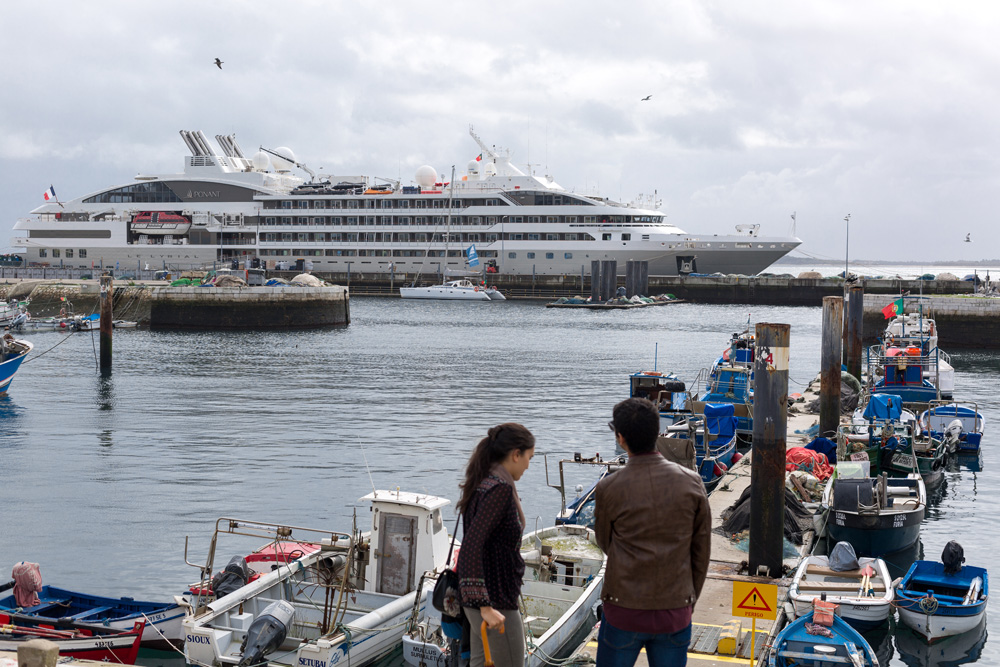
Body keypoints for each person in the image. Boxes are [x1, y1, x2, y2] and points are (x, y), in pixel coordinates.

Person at [595, 398, 711, 666]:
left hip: (623, 609)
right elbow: (701, 553)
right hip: (674, 609)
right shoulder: (692, 483)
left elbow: (605, 542)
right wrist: (687, 601)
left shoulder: (609, 488)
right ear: (657, 433)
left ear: (620, 438)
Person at [456, 423, 535, 667]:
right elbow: (471, 545)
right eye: (528, 457)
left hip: (477, 601)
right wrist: (486, 606)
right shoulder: (499, 489)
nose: (528, 465)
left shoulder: (482, 483)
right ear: (515, 454)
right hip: (495, 601)